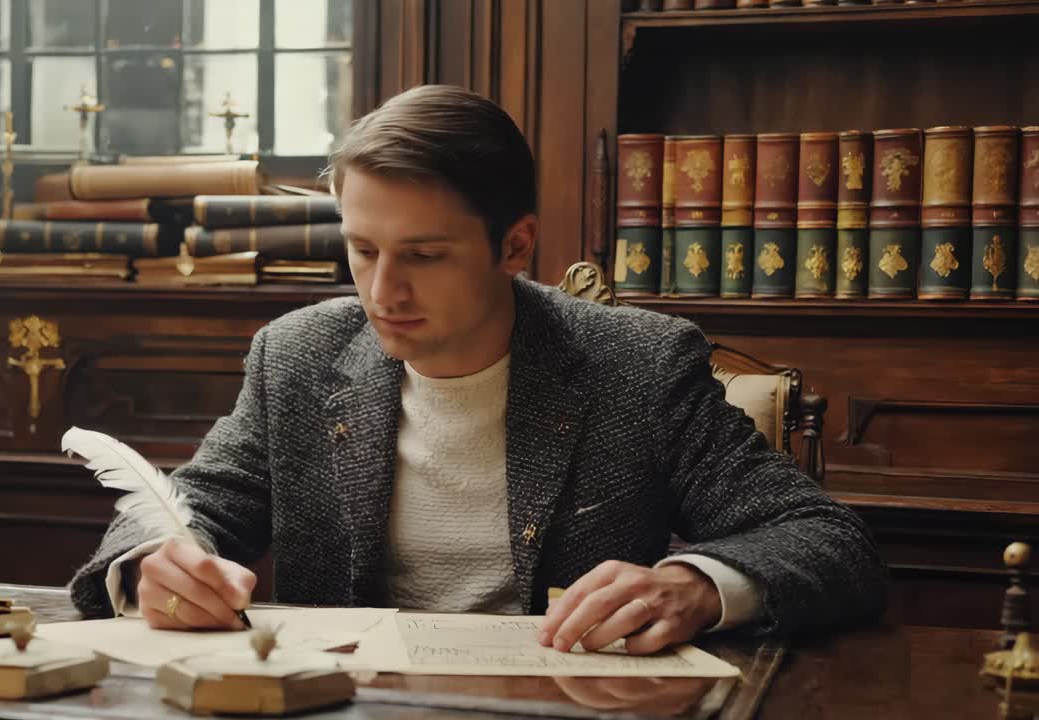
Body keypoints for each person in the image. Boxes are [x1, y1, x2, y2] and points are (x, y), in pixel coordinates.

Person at [69, 84, 886, 654]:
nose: (383, 291)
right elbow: (195, 505)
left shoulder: (638, 366)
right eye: (362, 250)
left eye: (424, 256)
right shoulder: (299, 355)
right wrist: (154, 566)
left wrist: (699, 586)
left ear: (515, 245)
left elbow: (826, 541)